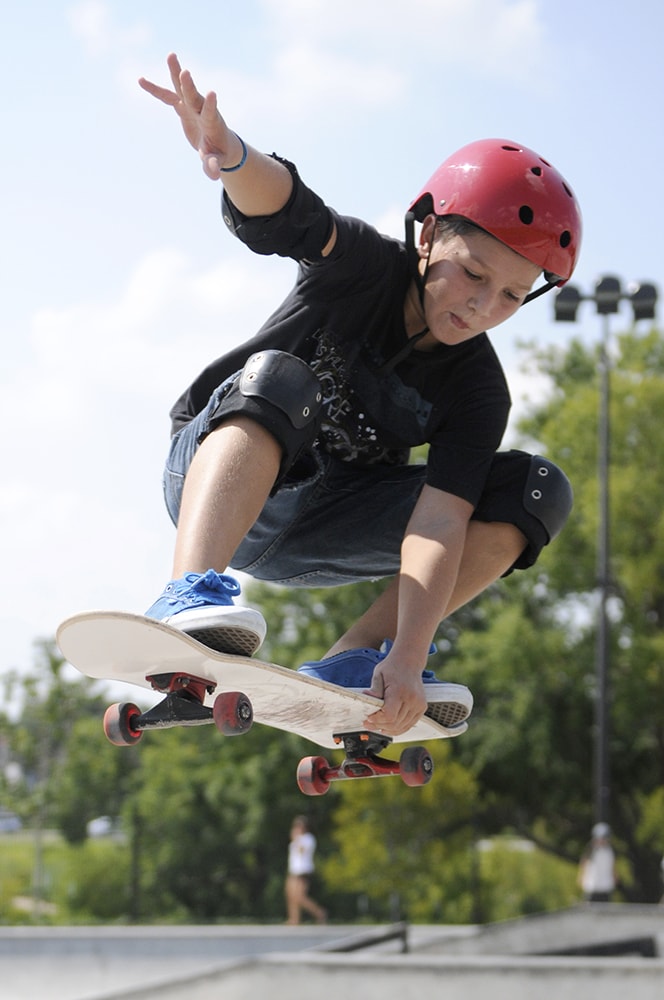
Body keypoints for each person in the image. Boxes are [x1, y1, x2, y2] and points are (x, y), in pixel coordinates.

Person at [138, 53, 582, 737]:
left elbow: (437, 526)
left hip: (325, 529)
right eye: (472, 274)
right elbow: (289, 210)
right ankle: (187, 592)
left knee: (533, 490)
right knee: (285, 376)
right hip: (216, 478)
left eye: (510, 297)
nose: (482, 307)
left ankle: (358, 658)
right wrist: (232, 155)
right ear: (430, 234)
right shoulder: (364, 268)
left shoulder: (478, 391)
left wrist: (407, 658)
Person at [285, 816, 327, 925]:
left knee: (300, 897)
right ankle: (294, 919)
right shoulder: (296, 840)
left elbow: (301, 851)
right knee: (291, 896)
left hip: (303, 871)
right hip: (294, 870)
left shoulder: (308, 838)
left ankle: (319, 913)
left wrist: (297, 838)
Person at [578, 822, 617, 902]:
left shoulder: (610, 851)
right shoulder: (591, 849)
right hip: (592, 887)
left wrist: (614, 876)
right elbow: (584, 863)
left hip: (605, 888)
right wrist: (581, 877)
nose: (602, 841)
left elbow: (612, 865)